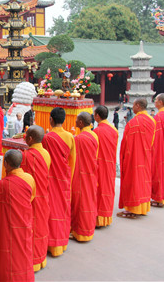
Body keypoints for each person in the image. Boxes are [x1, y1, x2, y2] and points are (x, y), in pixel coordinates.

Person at [0, 149, 36, 282]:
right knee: (23, 252)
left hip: (8, 226)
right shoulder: (29, 178)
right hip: (24, 223)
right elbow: (30, 198)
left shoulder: (2, 185)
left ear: (5, 164)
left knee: (8, 252)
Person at [42, 107, 76, 257]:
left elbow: (44, 159)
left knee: (50, 208)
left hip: (50, 178)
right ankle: (61, 242)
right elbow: (72, 160)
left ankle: (50, 244)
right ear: (65, 120)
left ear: (50, 119)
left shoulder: (47, 138)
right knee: (62, 208)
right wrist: (69, 177)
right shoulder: (70, 137)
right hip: (64, 177)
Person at [118, 98, 156, 218]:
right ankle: (144, 206)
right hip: (146, 155)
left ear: (138, 106)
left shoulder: (133, 123)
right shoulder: (152, 120)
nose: (132, 108)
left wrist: (124, 157)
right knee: (144, 180)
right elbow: (152, 140)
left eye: (133, 106)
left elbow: (125, 143)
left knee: (134, 180)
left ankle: (133, 209)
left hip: (134, 157)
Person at [20, 125, 51, 271]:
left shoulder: (25, 156)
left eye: (26, 136)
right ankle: (41, 258)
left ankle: (31, 261)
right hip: (43, 196)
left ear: (30, 139)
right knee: (41, 227)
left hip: (30, 199)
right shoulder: (46, 154)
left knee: (30, 228)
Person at [71, 112, 99, 242]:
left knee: (80, 202)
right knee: (89, 201)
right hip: (91, 173)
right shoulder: (94, 135)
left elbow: (73, 158)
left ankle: (79, 232)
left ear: (81, 123)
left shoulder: (79, 139)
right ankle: (88, 229)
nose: (75, 122)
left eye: (77, 120)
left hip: (80, 174)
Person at [93, 105, 119, 227]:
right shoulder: (114, 130)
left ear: (97, 116)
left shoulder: (97, 131)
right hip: (110, 164)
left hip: (100, 164)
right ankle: (106, 217)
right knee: (108, 189)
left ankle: (98, 219)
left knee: (99, 190)